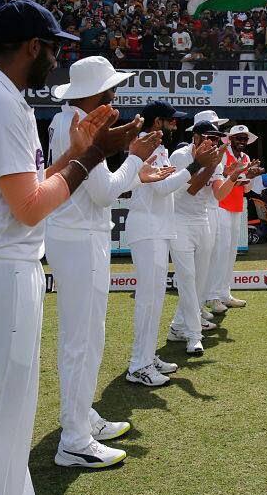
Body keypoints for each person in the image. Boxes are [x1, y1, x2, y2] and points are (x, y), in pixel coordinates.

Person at [0, 0, 124, 495]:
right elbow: (28, 207)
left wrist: (72, 153)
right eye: (53, 49)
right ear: (32, 47)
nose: (56, 62)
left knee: (0, 422)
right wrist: (89, 158)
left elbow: (24, 186)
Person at [45, 56, 174, 468]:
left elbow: (101, 188)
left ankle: (80, 419)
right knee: (83, 341)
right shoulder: (82, 127)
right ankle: (75, 439)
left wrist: (136, 170)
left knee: (83, 338)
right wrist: (135, 157)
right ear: (100, 93)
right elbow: (102, 193)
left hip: (78, 236)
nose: (116, 96)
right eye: (112, 89)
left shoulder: (69, 120)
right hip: (81, 238)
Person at [124, 102, 220, 387]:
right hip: (147, 227)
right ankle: (138, 365)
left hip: (158, 227)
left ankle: (147, 356)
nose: (175, 125)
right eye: (170, 121)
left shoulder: (159, 149)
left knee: (155, 300)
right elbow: (164, 187)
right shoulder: (144, 147)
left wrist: (195, 168)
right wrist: (195, 165)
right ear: (157, 122)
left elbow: (173, 186)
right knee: (148, 300)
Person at [167, 121, 249, 355]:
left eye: (215, 139)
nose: (212, 143)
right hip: (179, 221)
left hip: (202, 221)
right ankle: (194, 335)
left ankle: (177, 327)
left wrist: (232, 177)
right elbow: (191, 188)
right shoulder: (180, 156)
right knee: (188, 278)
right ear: (195, 137)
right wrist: (205, 165)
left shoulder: (215, 160)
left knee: (199, 282)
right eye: (208, 137)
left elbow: (220, 193)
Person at [206, 118, 264, 314]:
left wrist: (251, 176)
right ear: (229, 139)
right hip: (221, 206)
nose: (241, 140)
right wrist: (241, 178)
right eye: (238, 137)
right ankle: (212, 296)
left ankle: (224, 293)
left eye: (244, 138)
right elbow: (220, 181)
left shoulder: (246, 158)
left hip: (237, 207)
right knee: (220, 252)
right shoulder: (223, 155)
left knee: (231, 253)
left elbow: (246, 188)